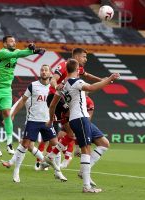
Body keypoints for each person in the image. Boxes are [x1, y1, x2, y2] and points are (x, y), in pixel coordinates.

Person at [47, 59, 120, 193]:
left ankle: (83, 171)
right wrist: (109, 79)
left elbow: (52, 105)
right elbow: (91, 88)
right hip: (80, 118)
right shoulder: (76, 82)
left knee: (104, 143)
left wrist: (51, 120)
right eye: (79, 68)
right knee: (86, 149)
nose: (81, 70)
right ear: (76, 69)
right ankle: (86, 186)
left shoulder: (62, 85)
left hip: (80, 118)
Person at [37, 48, 103, 169]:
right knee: (73, 128)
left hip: (63, 100)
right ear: (77, 57)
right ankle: (68, 153)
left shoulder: (78, 69)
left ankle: (51, 157)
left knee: (70, 133)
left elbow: (88, 75)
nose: (86, 59)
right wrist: (57, 87)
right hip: (55, 98)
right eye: (84, 56)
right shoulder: (63, 65)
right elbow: (53, 79)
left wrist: (102, 80)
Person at [1, 64, 67, 182]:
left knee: (55, 145)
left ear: (50, 73)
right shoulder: (33, 85)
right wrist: (13, 114)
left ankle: (58, 172)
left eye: (46, 70)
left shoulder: (54, 88)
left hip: (47, 121)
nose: (43, 72)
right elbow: (22, 101)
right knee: (25, 145)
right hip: (33, 120)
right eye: (42, 70)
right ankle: (16, 173)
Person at [0, 35, 45, 157]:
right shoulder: (3, 53)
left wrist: (33, 49)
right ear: (5, 44)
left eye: (14, 41)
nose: (13, 43)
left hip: (6, 89)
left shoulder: (17, 52)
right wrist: (33, 51)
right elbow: (17, 55)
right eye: (11, 41)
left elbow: (22, 53)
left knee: (7, 114)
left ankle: (9, 143)